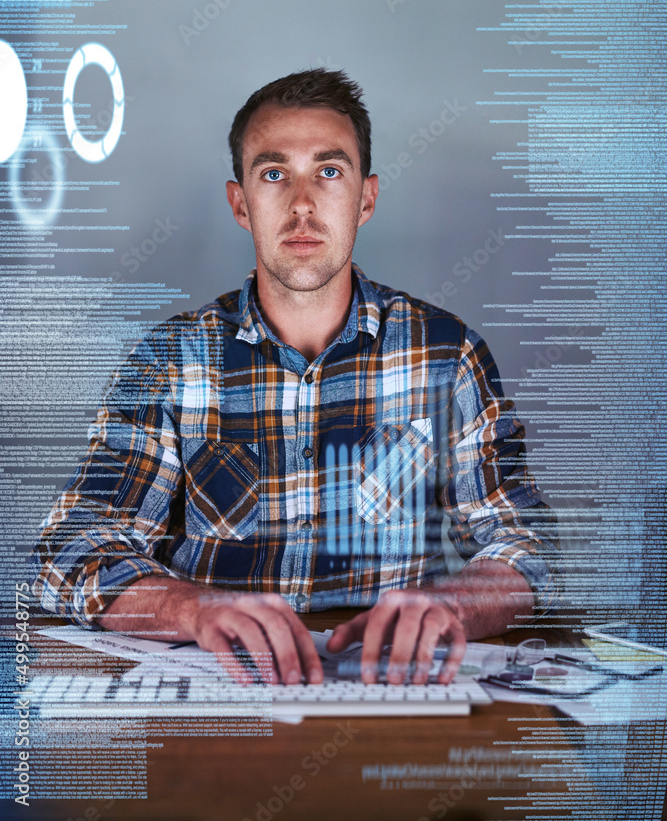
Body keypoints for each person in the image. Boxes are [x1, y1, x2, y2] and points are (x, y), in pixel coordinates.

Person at [31, 68, 560, 687]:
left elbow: (529, 543)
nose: (303, 204)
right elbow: (68, 554)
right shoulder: (169, 361)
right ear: (240, 203)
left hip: (387, 696)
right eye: (275, 174)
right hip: (219, 705)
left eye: (329, 172)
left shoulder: (446, 354)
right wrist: (192, 608)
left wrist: (451, 605)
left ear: (366, 198)